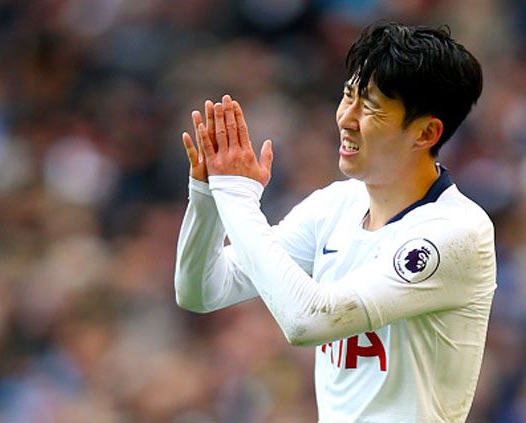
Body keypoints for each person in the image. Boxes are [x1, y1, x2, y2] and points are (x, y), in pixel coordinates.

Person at [175, 21, 495, 423]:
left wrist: (237, 197)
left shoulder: (455, 233)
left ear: (426, 132)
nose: (347, 117)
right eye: (349, 95)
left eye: (372, 107)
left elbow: (309, 320)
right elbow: (202, 290)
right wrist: (209, 195)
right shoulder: (335, 206)